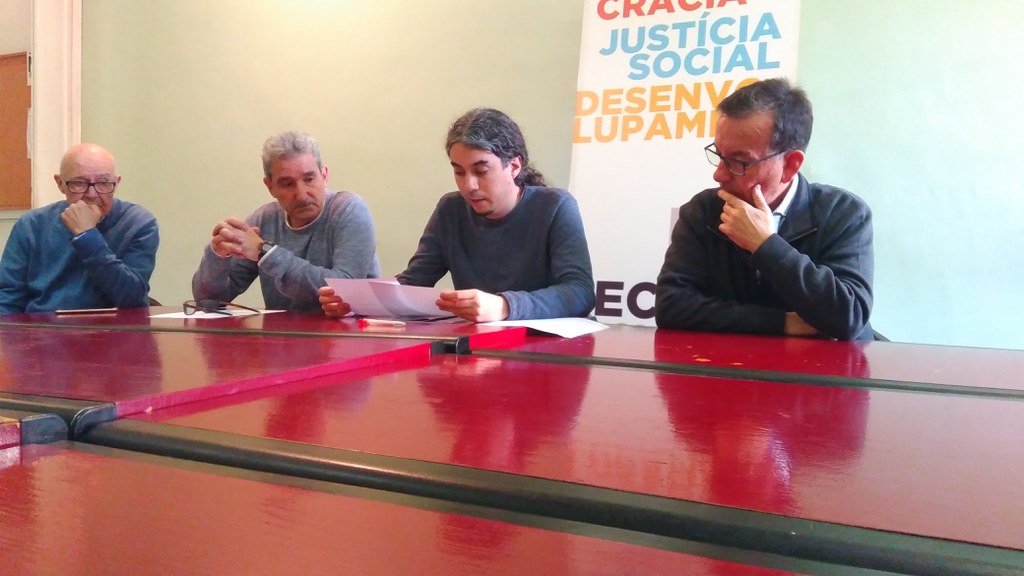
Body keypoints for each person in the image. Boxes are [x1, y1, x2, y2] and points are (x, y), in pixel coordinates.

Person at [319, 108, 595, 322]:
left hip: (545, 352)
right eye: (459, 172)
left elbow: (580, 292)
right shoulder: (450, 210)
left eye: (481, 171)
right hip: (477, 349)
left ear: (513, 166)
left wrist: (504, 306)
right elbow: (415, 280)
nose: (469, 185)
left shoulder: (555, 206)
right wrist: (358, 301)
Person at [655, 78, 874, 340]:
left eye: (739, 162)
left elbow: (849, 316)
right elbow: (671, 307)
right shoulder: (703, 212)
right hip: (731, 363)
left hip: (824, 365)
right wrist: (782, 323)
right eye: (719, 155)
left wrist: (766, 246)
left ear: (791, 165)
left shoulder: (844, 213)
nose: (719, 174)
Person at [192, 131, 381, 311]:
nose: (302, 195)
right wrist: (218, 255)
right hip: (283, 333)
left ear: (324, 176)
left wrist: (265, 251)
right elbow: (208, 301)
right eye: (288, 184)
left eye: (309, 179)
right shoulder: (263, 220)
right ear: (270, 187)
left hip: (350, 332)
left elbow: (344, 288)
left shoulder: (349, 210)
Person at [0, 143, 159, 314]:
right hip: (43, 326)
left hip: (112, 327)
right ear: (60, 183)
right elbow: (8, 299)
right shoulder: (31, 225)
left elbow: (132, 297)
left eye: (103, 183)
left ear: (116, 182)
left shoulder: (138, 222)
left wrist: (86, 236)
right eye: (79, 183)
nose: (92, 194)